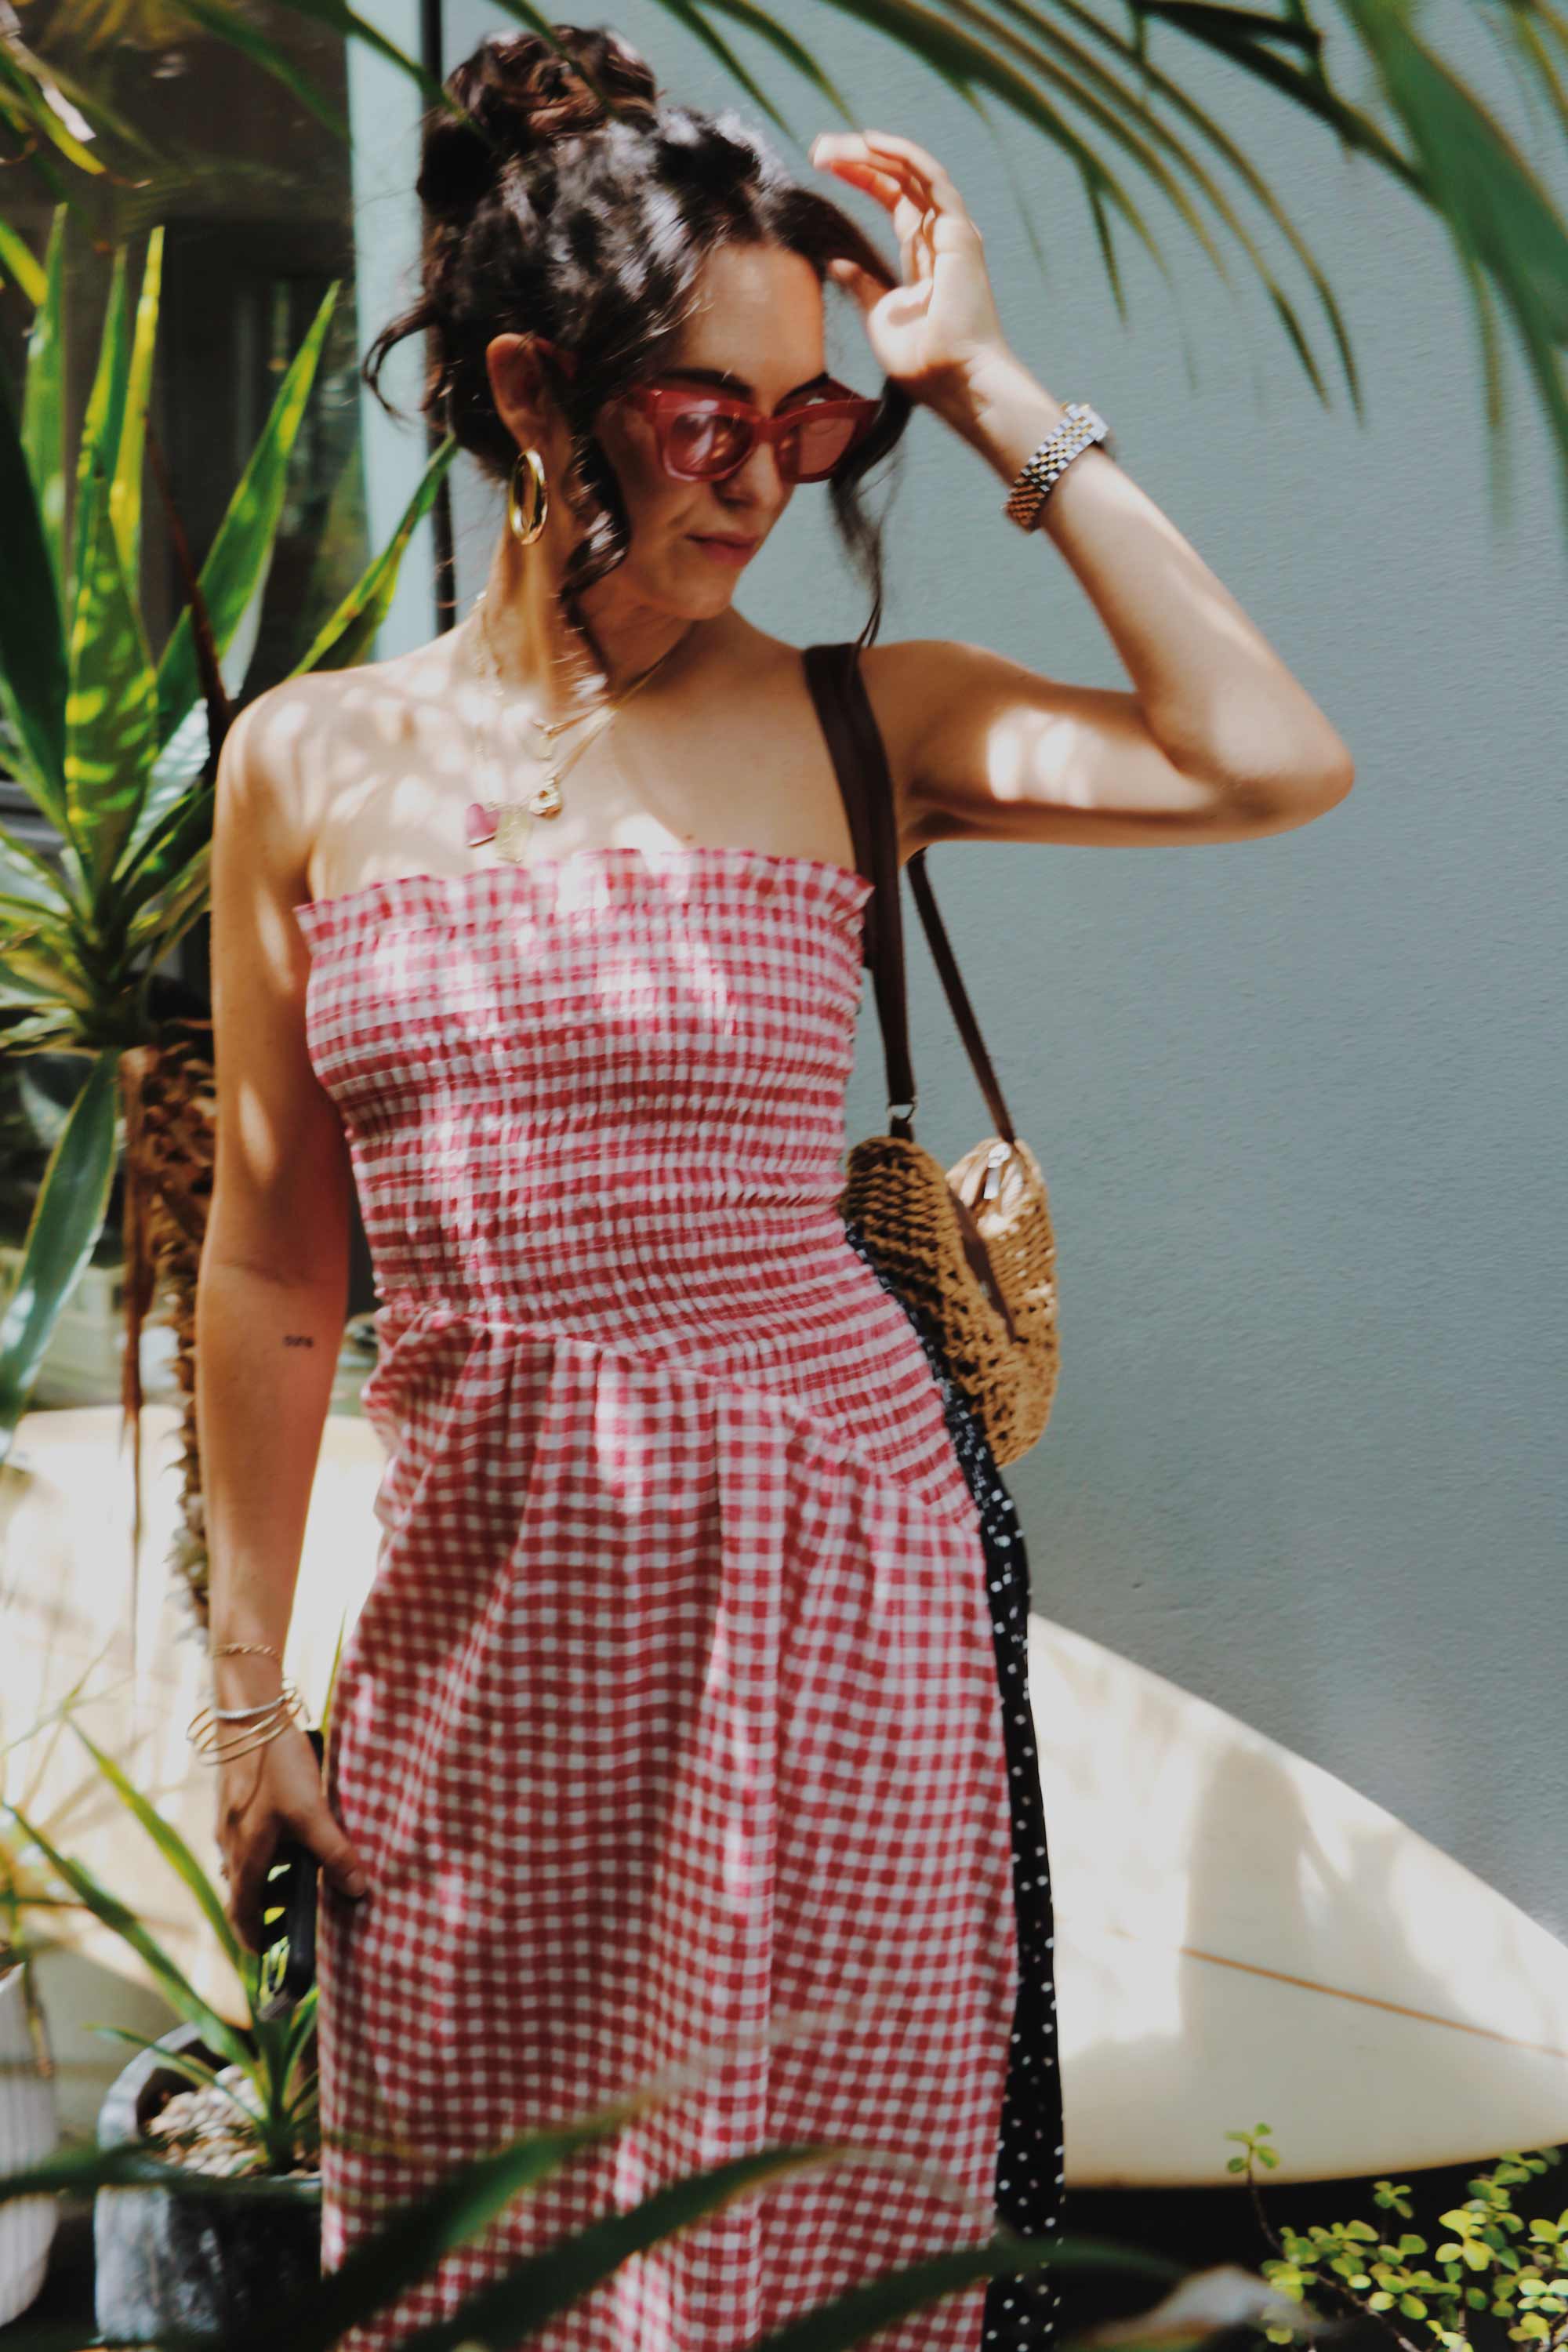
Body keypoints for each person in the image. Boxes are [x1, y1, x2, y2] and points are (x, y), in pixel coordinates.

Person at [194, 22, 1354, 2350]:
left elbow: (1269, 757)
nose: (770, 478)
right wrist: (249, 1686)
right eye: (717, 415)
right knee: (482, 2254)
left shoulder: (858, 721)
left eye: (820, 423)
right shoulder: (309, 765)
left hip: (837, 1602)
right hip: (491, 1636)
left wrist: (993, 390)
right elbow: (271, 1261)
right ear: (536, 394)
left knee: (840, 2251)